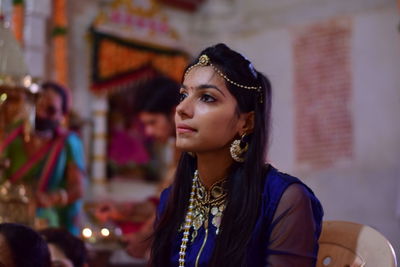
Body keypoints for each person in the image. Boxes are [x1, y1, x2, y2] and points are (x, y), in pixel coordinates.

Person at [150, 43, 324, 266]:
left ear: (246, 122)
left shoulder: (282, 199)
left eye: (207, 98)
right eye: (183, 94)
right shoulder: (173, 199)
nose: (182, 108)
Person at [95, 76, 180, 258]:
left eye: (153, 122)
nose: (148, 132)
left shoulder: (195, 148)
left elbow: (176, 202)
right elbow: (161, 201)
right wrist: (124, 210)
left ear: (174, 112)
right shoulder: (178, 148)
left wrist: (144, 237)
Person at [1, 81, 86, 235]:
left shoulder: (68, 142)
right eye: (38, 106)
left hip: (48, 221)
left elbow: (78, 188)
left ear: (62, 115)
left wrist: (52, 198)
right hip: (9, 216)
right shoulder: (13, 135)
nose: (41, 114)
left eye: (50, 110)